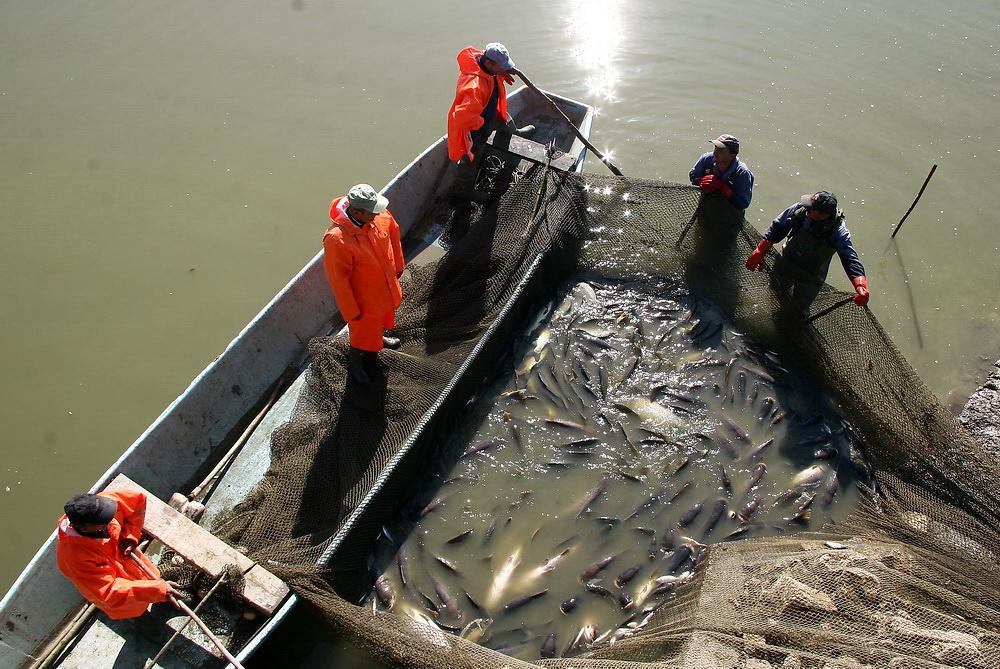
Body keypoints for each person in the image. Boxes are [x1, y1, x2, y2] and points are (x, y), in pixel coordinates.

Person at [323, 183, 405, 384]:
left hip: (385, 288)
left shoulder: (380, 215)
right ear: (357, 212)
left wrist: (398, 268)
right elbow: (338, 280)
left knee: (382, 319)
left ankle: (378, 339)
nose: (378, 214)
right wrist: (352, 311)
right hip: (364, 301)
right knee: (361, 334)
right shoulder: (337, 239)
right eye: (372, 212)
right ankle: (356, 364)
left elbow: (394, 236)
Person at [56, 490, 182, 620]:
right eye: (104, 521)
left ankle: (160, 596)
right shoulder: (73, 557)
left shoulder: (103, 504)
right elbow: (108, 591)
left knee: (153, 580)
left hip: (134, 565)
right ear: (85, 528)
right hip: (119, 593)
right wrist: (157, 589)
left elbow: (137, 501)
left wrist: (130, 537)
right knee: (135, 609)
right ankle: (144, 621)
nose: (111, 519)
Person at [746, 190, 870, 316]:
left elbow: (850, 259)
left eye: (811, 208)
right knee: (774, 291)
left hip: (811, 275)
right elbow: (777, 228)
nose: (807, 208)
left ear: (823, 214)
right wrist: (760, 251)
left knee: (798, 311)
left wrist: (860, 286)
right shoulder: (800, 210)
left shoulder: (838, 231)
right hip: (786, 261)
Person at [447, 43, 536, 200]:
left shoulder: (483, 60)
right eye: (500, 67)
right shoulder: (474, 87)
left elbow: (490, 64)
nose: (502, 69)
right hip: (475, 126)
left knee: (505, 120)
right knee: (470, 161)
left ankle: (513, 132)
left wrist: (503, 71)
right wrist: (481, 124)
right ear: (489, 63)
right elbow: (462, 117)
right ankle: (466, 194)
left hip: (490, 108)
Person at [689, 134, 755, 211]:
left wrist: (724, 189)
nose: (715, 153)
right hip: (705, 206)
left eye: (721, 151)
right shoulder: (706, 159)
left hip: (729, 214)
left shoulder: (742, 173)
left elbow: (743, 203)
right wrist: (701, 181)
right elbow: (693, 174)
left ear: (732, 156)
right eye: (715, 148)